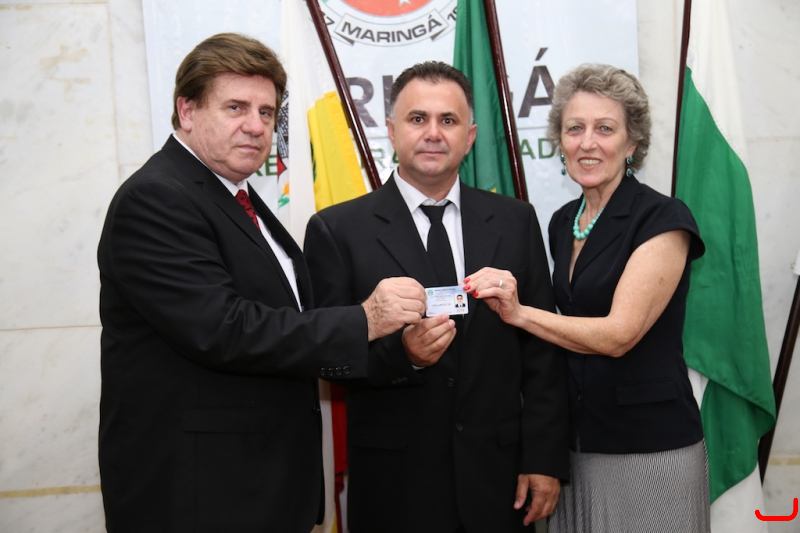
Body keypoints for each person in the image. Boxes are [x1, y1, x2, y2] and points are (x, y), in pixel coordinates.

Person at [97, 33, 426, 533]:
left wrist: (401, 350)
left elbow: (290, 329)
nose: (256, 126)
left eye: (267, 112)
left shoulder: (236, 197)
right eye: (236, 107)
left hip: (258, 488)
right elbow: (224, 329)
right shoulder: (156, 198)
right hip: (199, 497)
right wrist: (365, 319)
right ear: (187, 110)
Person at [304, 61, 569, 533]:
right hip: (395, 487)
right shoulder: (337, 230)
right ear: (391, 131)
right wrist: (403, 356)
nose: (433, 133)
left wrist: (544, 459)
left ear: (470, 137)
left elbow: (542, 352)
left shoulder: (516, 221)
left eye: (448, 120)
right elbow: (328, 357)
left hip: (499, 482)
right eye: (417, 118)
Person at [466, 63, 710, 532]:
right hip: (576, 446)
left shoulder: (663, 218)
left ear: (632, 143)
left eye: (605, 129)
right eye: (574, 128)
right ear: (560, 141)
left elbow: (619, 335)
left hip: (649, 447)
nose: (587, 143)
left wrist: (520, 314)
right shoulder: (562, 222)